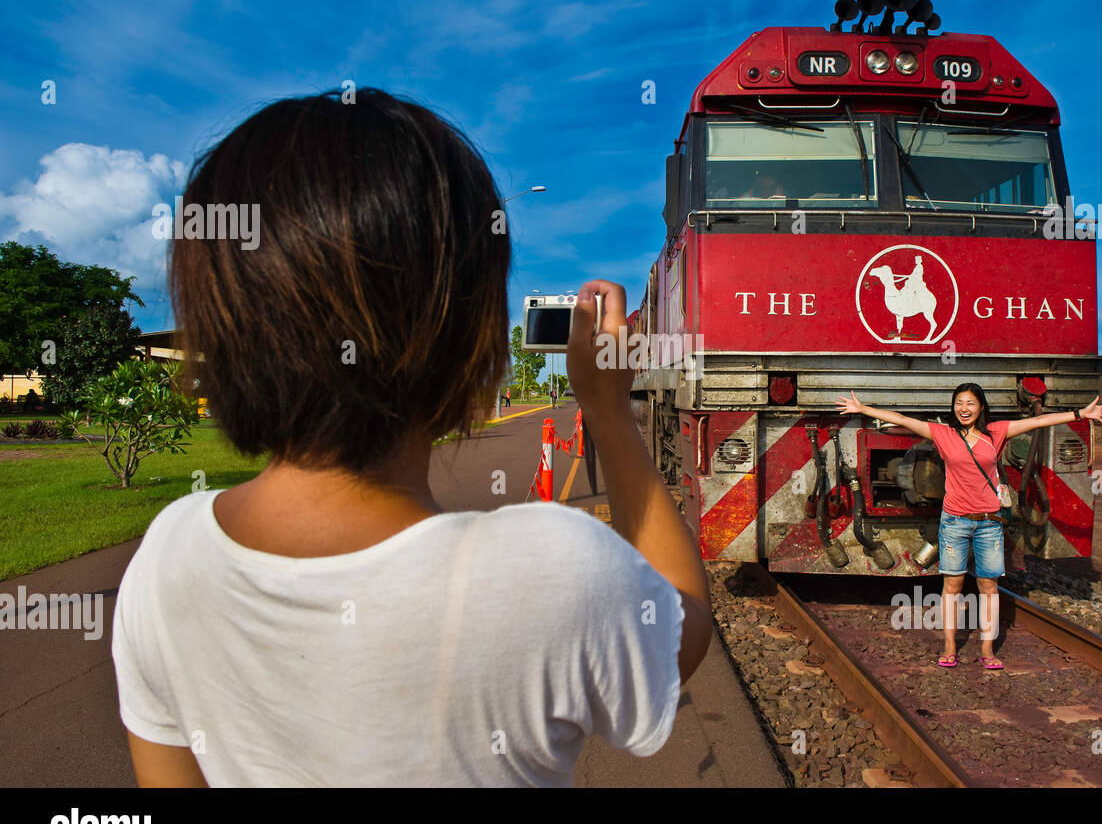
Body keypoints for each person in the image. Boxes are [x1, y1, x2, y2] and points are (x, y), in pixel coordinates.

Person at [112, 88, 711, 787]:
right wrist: (607, 409)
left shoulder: (164, 559)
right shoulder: (553, 571)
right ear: (472, 353)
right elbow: (682, 619)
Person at [836, 383, 1102, 669]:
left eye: (970, 403)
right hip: (954, 522)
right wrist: (863, 409)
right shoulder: (944, 434)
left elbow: (1037, 421)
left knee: (989, 586)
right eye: (959, 403)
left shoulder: (996, 433)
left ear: (981, 407)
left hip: (989, 523)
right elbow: (904, 420)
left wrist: (1080, 413)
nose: (963, 409)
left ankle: (988, 651)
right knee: (952, 586)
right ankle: (950, 647)